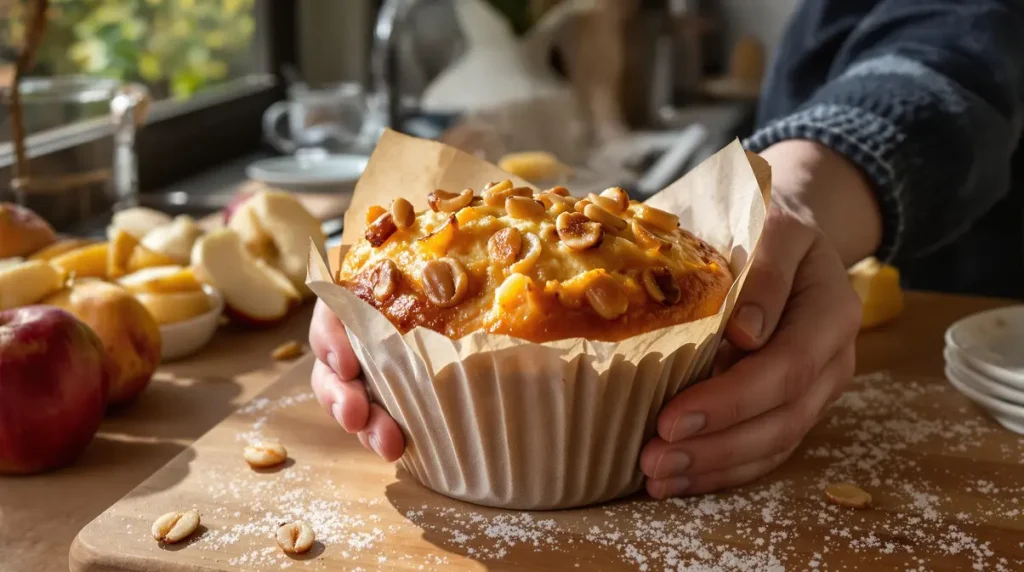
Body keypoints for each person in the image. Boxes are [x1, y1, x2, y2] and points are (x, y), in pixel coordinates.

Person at [308, 0, 1024, 499]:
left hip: (972, 291)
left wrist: (795, 203)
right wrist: (374, 335)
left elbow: (961, 46)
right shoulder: (401, 256)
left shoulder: (689, 267)